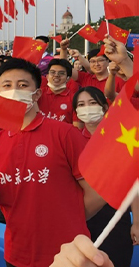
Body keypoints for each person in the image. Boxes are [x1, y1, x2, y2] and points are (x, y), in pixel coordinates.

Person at [0, 57, 104, 267]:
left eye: (23, 85)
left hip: (68, 255)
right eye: (7, 85)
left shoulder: (64, 134)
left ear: (37, 94)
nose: (14, 91)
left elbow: (96, 191)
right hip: (17, 253)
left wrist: (70, 219)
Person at [73, 86, 137, 267]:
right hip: (82, 216)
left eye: (93, 103)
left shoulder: (123, 139)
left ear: (104, 106)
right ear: (76, 111)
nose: (87, 108)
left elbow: (133, 184)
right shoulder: (71, 140)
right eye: (81, 104)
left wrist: (137, 222)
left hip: (116, 214)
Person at [37, 59, 80, 127]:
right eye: (52, 72)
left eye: (61, 73)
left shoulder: (75, 99)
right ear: (47, 76)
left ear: (68, 78)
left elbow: (77, 128)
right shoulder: (37, 95)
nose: (56, 75)